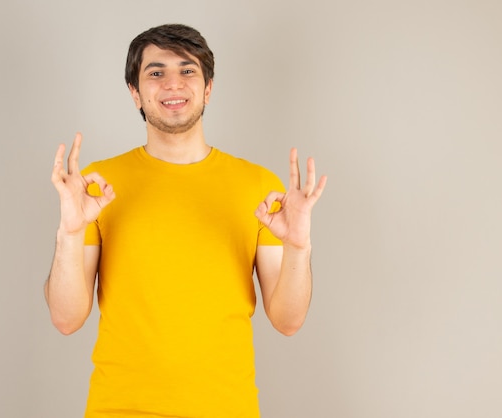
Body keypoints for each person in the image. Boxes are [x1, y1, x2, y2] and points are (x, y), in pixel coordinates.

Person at [45, 23, 327, 418]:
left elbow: (288, 320)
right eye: (156, 72)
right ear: (135, 93)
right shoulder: (96, 186)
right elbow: (66, 317)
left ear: (208, 88)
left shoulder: (260, 186)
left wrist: (299, 246)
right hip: (119, 409)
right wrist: (69, 233)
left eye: (187, 70)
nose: (173, 83)